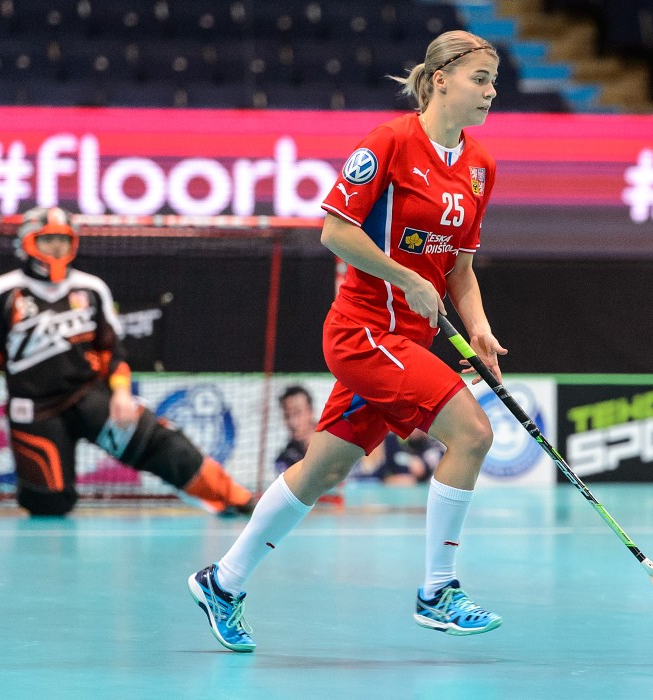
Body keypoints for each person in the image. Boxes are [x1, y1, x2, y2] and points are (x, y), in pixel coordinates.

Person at [187, 30, 505, 653]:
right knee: (473, 433)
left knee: (323, 467)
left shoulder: (480, 168)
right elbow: (334, 231)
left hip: (410, 340)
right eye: (480, 79)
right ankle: (438, 591)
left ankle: (221, 583)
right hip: (364, 332)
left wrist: (481, 328)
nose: (491, 92)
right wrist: (408, 277)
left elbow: (461, 269)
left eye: (494, 82)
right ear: (440, 77)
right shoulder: (388, 143)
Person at [0, 206, 259, 517]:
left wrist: (121, 392)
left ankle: (235, 497)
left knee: (165, 446)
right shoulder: (3, 291)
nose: (56, 248)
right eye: (48, 240)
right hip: (33, 409)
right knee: (49, 504)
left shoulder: (91, 288)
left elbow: (113, 351)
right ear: (28, 243)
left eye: (63, 240)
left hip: (90, 396)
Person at [273, 385, 315, 475]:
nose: (292, 422)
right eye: (287, 415)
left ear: (311, 411)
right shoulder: (284, 459)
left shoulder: (335, 441)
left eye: (297, 413)